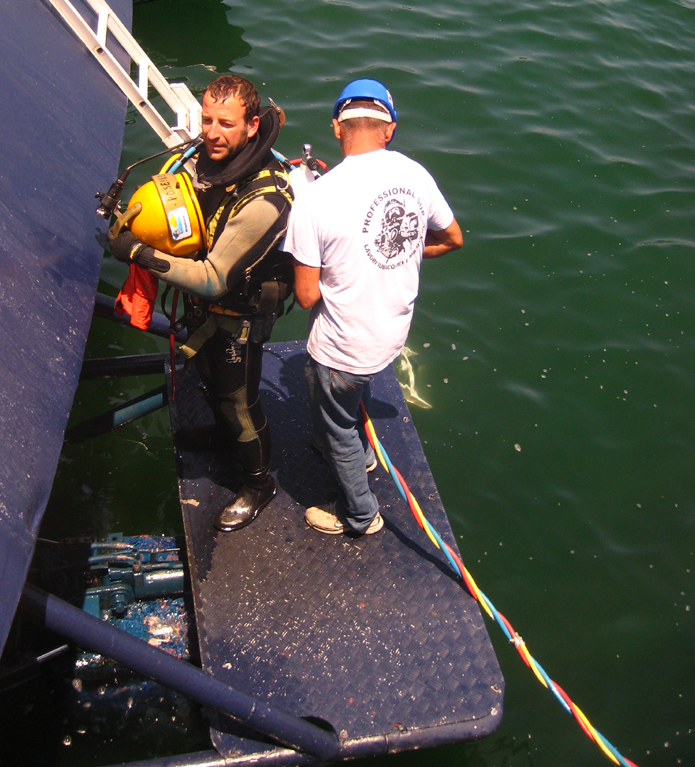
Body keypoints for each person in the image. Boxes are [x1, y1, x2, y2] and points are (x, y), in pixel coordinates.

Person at [108, 74, 293, 532]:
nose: (211, 133)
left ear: (252, 125)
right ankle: (221, 436)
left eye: (226, 124)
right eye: (207, 120)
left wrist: (139, 253)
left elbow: (212, 279)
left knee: (239, 401)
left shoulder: (267, 197)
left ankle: (258, 483)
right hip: (201, 308)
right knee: (208, 380)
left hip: (238, 314)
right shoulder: (203, 162)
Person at [284, 79, 462, 536]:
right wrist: (401, 251)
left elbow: (306, 296)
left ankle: (361, 514)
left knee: (336, 426)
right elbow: (452, 238)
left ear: (336, 128)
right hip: (390, 336)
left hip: (342, 348)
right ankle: (363, 455)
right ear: (389, 129)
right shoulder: (416, 174)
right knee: (351, 399)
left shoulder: (314, 198)